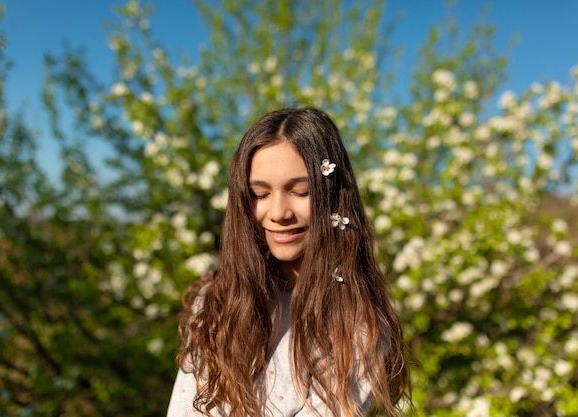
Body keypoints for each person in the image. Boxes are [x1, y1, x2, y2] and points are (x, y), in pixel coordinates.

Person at [167, 107, 411, 417]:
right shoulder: (216, 303)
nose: (279, 212)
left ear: (332, 195)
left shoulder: (355, 328)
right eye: (260, 194)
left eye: (300, 191)